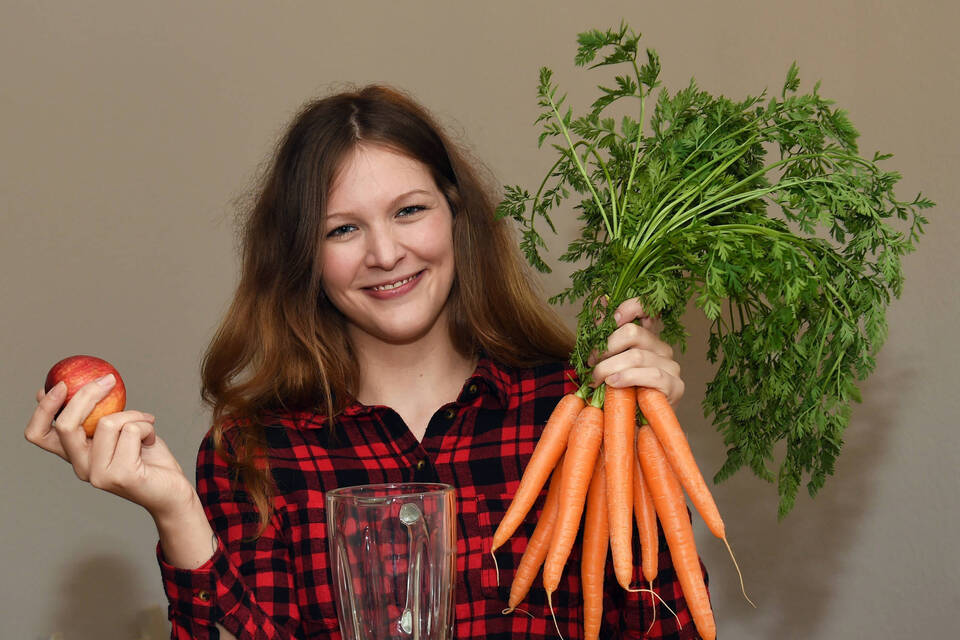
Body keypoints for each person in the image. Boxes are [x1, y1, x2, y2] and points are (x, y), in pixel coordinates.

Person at [26, 85, 703, 639]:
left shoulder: (571, 406)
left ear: (456, 215)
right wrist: (175, 512)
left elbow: (665, 625)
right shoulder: (255, 450)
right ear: (304, 257)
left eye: (409, 211)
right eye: (342, 229)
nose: (384, 254)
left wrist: (641, 433)